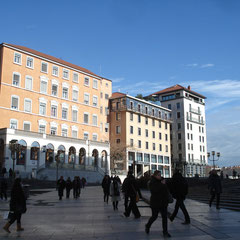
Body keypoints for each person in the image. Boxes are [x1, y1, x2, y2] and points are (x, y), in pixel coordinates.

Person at [145, 170, 171, 238]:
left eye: (160, 174)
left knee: (164, 217)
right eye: (158, 175)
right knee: (154, 216)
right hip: (155, 202)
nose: (160, 176)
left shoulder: (162, 181)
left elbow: (166, 190)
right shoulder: (152, 182)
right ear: (155, 175)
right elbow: (154, 191)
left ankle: (165, 232)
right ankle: (148, 225)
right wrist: (162, 185)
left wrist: (164, 184)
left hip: (163, 202)